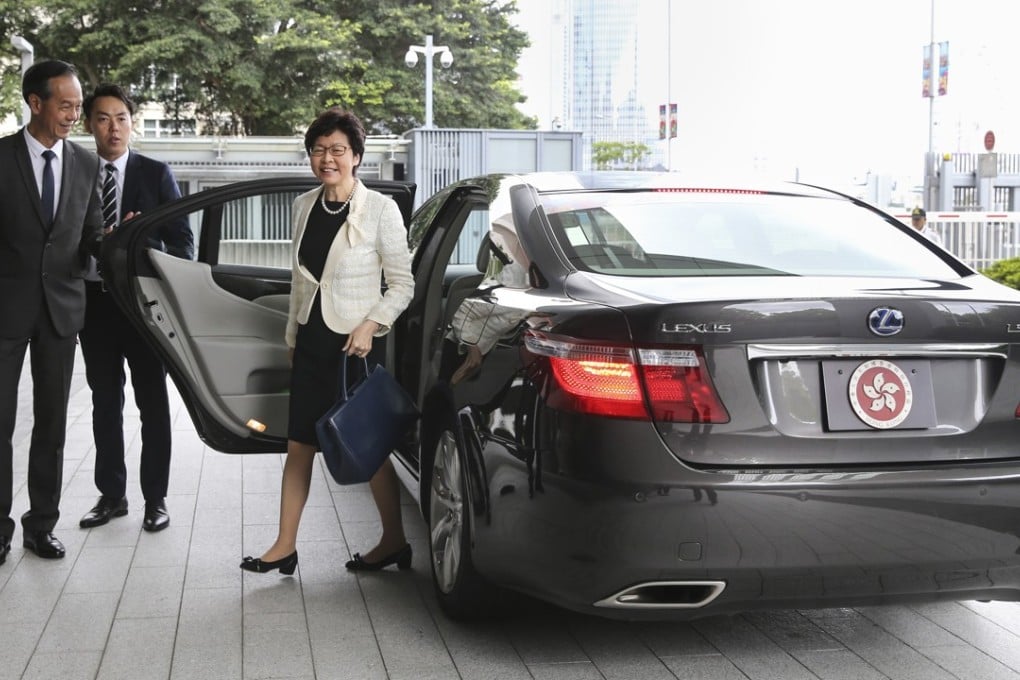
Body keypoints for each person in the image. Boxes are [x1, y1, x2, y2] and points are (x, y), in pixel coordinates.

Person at [240, 108, 414, 575]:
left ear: (357, 156)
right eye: (318, 150)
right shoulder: (303, 206)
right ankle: (284, 545)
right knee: (299, 444)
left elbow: (402, 284)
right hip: (313, 341)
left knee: (367, 445)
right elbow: (301, 282)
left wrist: (371, 325)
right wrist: (293, 335)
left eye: (337, 150)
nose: (327, 158)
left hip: (355, 345)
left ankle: (394, 539)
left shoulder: (380, 210)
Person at [77, 84, 194, 534]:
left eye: (121, 117)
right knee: (105, 402)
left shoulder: (155, 172)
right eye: (103, 118)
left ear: (132, 122)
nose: (113, 127)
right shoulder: (78, 173)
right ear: (90, 124)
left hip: (143, 307)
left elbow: (182, 243)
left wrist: (137, 241)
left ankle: (156, 499)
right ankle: (111, 495)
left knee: (152, 403)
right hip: (94, 306)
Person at [0, 60, 104, 564]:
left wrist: (119, 245)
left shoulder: (86, 164)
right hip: (5, 310)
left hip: (62, 310)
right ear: (35, 103)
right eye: (64, 105)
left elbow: (92, 235)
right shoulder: (0, 158)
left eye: (76, 106)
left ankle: (41, 525)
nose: (73, 115)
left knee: (52, 424)